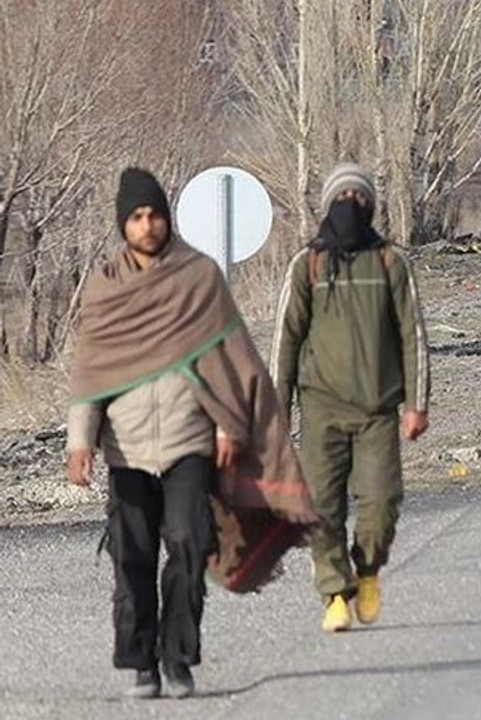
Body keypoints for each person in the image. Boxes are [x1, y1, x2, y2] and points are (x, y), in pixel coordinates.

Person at [67, 168, 316, 700]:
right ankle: (141, 662)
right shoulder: (105, 289)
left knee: (187, 542)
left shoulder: (199, 277)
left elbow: (230, 360)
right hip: (127, 449)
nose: (147, 224)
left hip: (188, 443)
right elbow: (90, 371)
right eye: (136, 217)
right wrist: (80, 442)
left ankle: (178, 658)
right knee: (131, 554)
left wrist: (228, 425)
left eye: (154, 214)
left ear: (167, 218)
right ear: (123, 225)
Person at [273, 163, 431, 633]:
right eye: (342, 199)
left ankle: (367, 570)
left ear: (371, 206)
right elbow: (285, 341)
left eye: (358, 199)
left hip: (379, 410)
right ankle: (334, 594)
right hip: (321, 409)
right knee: (321, 507)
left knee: (381, 504)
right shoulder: (309, 264)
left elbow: (413, 335)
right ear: (327, 207)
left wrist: (416, 405)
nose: (350, 206)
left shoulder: (390, 262)